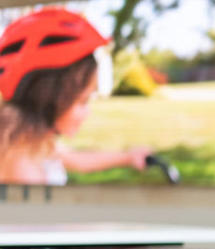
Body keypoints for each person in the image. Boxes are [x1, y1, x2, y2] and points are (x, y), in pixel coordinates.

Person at [0, 8, 149, 185]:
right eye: (82, 101)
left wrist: (128, 157)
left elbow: (74, 159)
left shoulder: (28, 139)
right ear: (49, 98)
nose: (88, 112)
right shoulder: (24, 171)